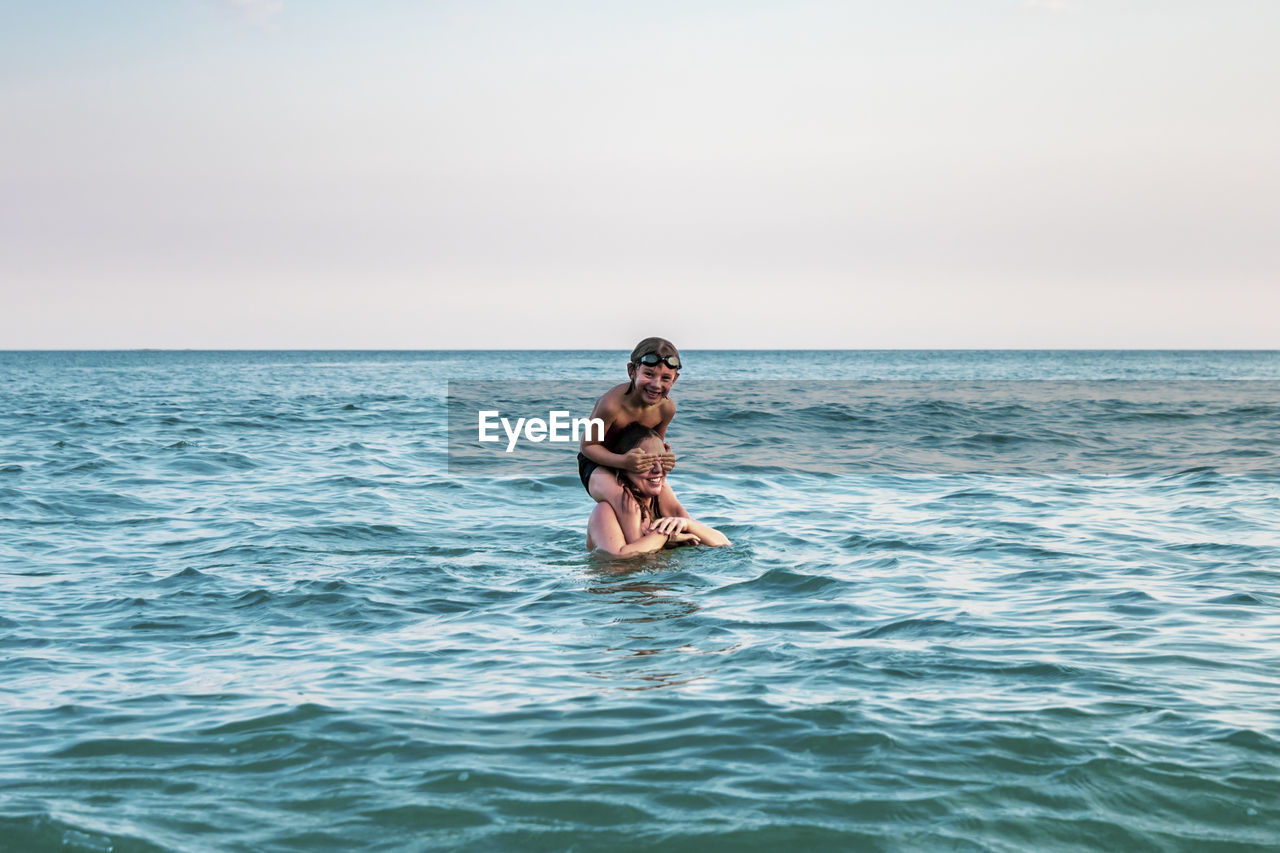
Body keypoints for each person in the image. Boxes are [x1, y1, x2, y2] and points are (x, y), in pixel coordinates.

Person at [578, 337, 689, 525]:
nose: (656, 384)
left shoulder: (666, 409)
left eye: (665, 378)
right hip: (598, 464)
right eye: (648, 374)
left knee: (675, 510)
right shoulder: (611, 405)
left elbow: (654, 446)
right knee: (628, 505)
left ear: (675, 379)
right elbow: (587, 446)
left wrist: (665, 459)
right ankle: (639, 551)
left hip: (636, 466)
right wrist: (623, 462)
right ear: (632, 371)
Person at [586, 424, 729, 557]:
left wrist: (688, 524)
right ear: (624, 467)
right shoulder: (604, 511)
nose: (658, 470)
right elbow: (618, 560)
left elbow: (725, 545)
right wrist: (664, 535)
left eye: (662, 461)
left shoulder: (660, 506)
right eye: (647, 462)